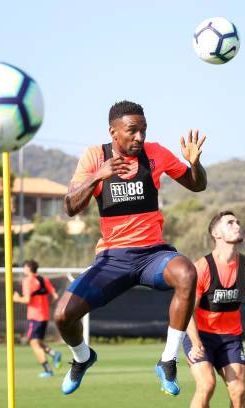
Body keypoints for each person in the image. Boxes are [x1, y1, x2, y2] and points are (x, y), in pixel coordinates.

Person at [55, 100, 207, 396]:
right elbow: (70, 206)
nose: (140, 137)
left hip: (153, 255)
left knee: (187, 272)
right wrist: (98, 176)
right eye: (132, 131)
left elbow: (197, 185)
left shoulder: (156, 153)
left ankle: (168, 360)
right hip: (113, 259)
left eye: (144, 130)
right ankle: (82, 358)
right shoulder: (93, 156)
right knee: (62, 315)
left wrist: (194, 163)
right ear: (113, 132)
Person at [184, 211, 245, 408]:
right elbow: (187, 312)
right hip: (200, 335)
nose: (237, 225)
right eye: (230, 223)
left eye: (238, 222)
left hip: (230, 338)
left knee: (238, 391)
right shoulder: (201, 268)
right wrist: (195, 342)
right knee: (206, 385)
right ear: (216, 234)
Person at [13, 259, 62, 378]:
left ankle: (48, 370)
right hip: (44, 316)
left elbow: (27, 299)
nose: (23, 270)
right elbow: (55, 295)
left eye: (24, 268)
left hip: (35, 316)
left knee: (34, 343)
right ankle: (54, 354)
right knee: (38, 341)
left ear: (29, 269)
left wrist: (17, 298)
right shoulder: (44, 279)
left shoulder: (28, 280)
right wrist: (45, 303)